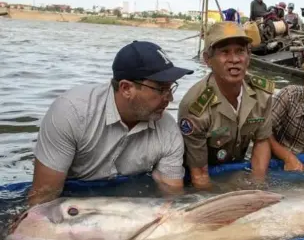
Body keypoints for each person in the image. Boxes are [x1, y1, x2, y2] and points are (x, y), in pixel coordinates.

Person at [27, 41, 194, 206]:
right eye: (161, 89)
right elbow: (42, 200)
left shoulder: (168, 130)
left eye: (171, 88)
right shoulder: (71, 113)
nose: (170, 99)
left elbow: (172, 197)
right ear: (126, 88)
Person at [177, 21, 274, 190]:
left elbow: (262, 141)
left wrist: (257, 186)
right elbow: (199, 174)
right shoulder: (195, 106)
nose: (234, 60)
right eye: (225, 52)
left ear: (249, 56)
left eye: (240, 51)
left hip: (236, 168)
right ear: (208, 59)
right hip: (200, 175)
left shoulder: (261, 93)